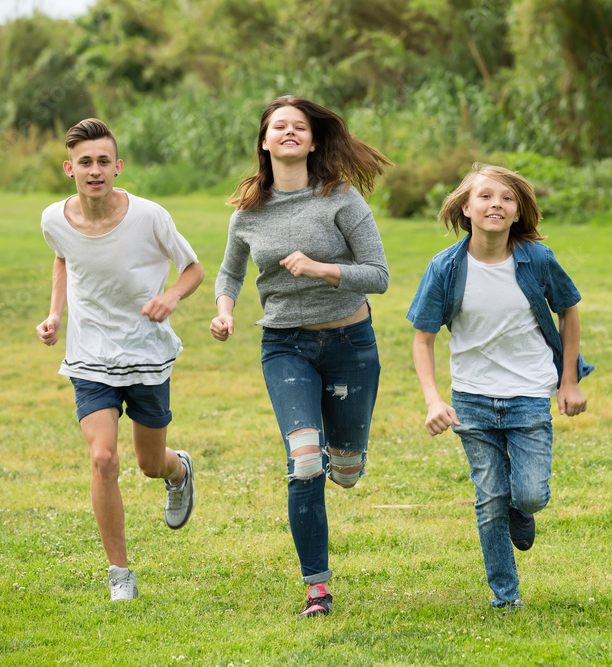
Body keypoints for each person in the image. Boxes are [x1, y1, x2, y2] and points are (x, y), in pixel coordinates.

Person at [210, 95, 391, 619]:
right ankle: (317, 587)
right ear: (265, 142)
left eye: (299, 127)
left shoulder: (342, 199)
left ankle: (350, 457)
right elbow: (230, 274)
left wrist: (322, 269)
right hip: (285, 345)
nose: (289, 133)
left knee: (347, 470)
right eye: (278, 127)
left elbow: (378, 276)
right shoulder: (247, 213)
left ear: (313, 140)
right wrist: (225, 311)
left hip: (350, 346)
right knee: (306, 460)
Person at [407, 164, 592, 614]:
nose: (496, 204)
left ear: (517, 213)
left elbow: (569, 313)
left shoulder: (537, 260)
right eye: (485, 197)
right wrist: (434, 399)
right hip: (471, 398)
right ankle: (505, 597)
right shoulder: (445, 267)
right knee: (489, 498)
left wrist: (568, 381)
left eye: (507, 199)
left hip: (529, 393)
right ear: (466, 208)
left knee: (528, 494)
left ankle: (520, 508)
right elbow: (423, 339)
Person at [36, 118, 204, 601]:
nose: (95, 170)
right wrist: (54, 315)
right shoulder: (53, 219)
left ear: (117, 166)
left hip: (147, 353)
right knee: (103, 457)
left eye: (103, 161)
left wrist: (170, 298)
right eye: (85, 162)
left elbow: (192, 269)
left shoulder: (150, 215)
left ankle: (179, 471)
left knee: (150, 464)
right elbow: (64, 257)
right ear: (70, 168)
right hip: (90, 355)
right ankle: (120, 575)